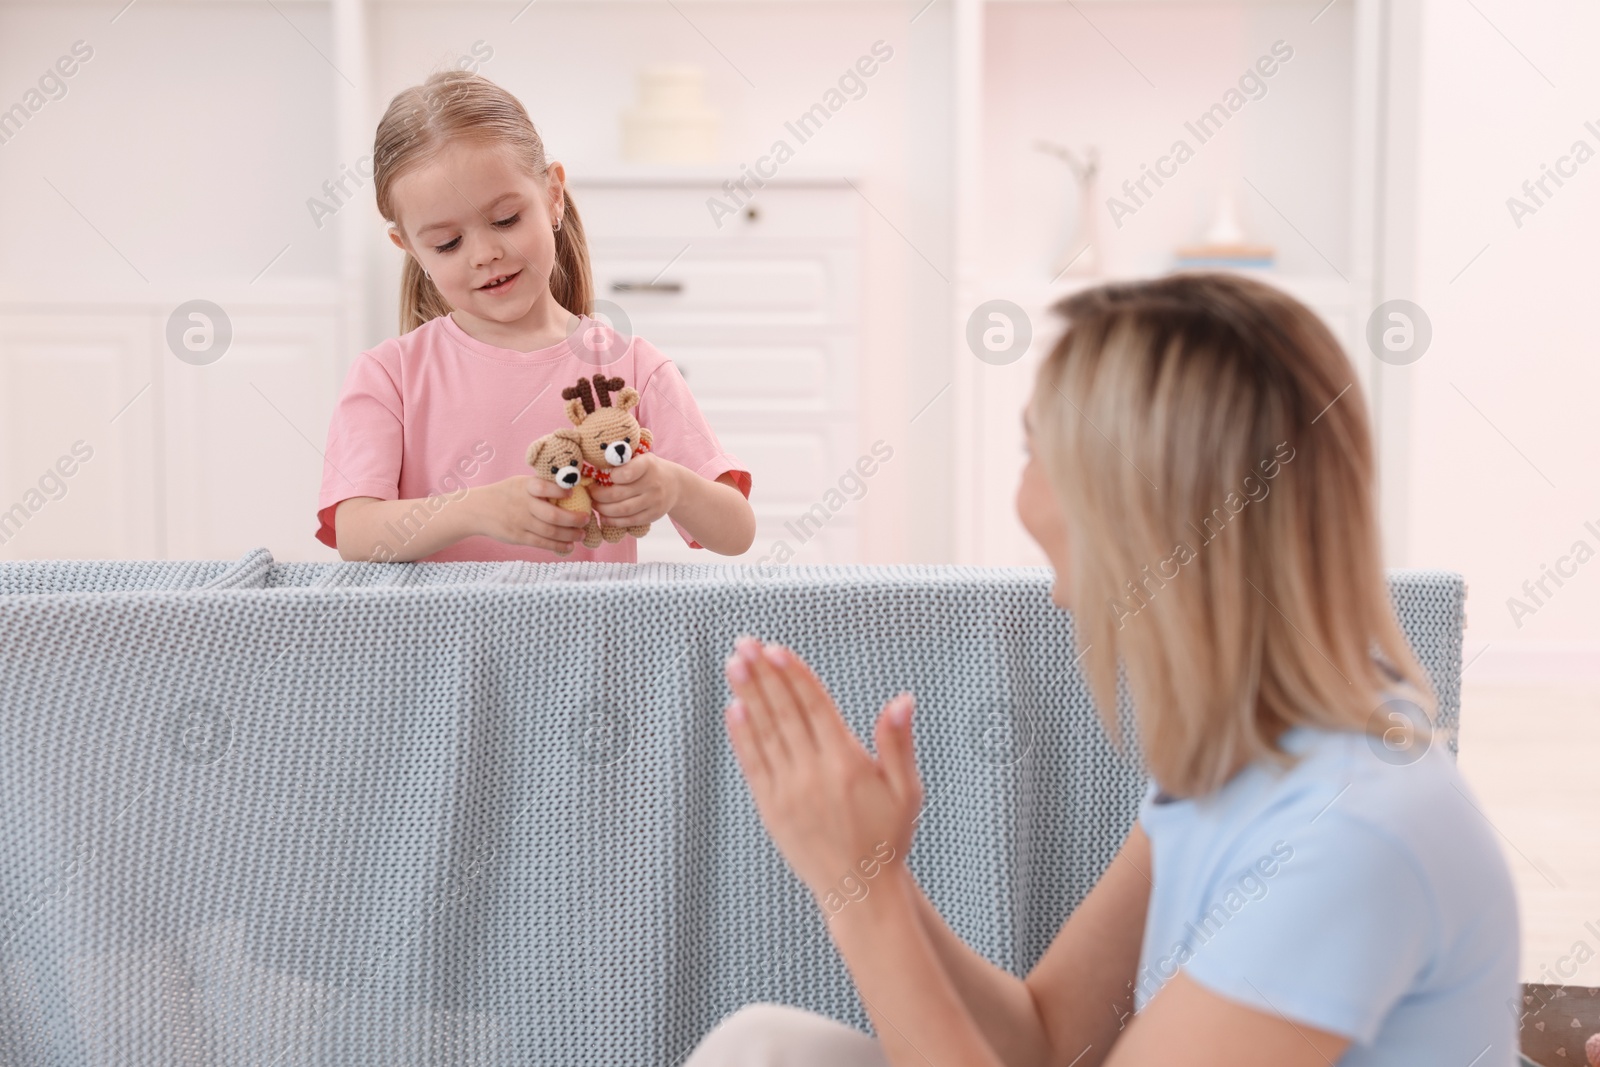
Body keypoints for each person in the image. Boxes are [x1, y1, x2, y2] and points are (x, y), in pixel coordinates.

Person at [686, 273, 1520, 1066]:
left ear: (1132, 506)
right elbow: (1050, 1041)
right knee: (766, 1046)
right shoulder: (1236, 760)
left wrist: (855, 898)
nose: (1021, 494)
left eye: (1032, 450)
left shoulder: (1349, 836)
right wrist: (880, 872)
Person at [315, 70, 754, 563]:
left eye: (505, 220)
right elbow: (356, 534)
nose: (485, 253)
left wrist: (676, 488)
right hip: (444, 640)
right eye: (447, 243)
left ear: (552, 195)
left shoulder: (632, 367)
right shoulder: (388, 375)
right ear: (410, 247)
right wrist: (476, 509)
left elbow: (736, 532)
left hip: (589, 637)